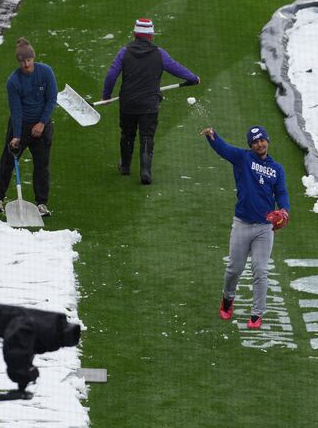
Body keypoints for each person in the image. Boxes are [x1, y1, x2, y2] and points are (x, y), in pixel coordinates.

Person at [201, 126, 290, 330]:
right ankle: (228, 298)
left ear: (268, 141)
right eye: (255, 142)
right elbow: (224, 149)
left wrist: (284, 210)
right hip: (242, 223)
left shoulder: (277, 169)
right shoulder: (243, 158)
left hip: (264, 229)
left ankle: (257, 314)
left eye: (262, 140)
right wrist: (212, 136)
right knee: (234, 269)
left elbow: (282, 192)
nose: (260, 144)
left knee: (260, 270)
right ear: (251, 145)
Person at [102, 18, 200, 184]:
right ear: (151, 36)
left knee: (127, 134)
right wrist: (193, 78)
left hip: (128, 103)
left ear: (134, 34)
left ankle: (125, 166)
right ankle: (145, 171)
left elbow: (112, 75)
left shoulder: (124, 52)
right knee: (147, 136)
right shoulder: (159, 53)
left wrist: (106, 96)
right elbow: (176, 68)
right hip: (149, 104)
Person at [0, 37, 57, 217]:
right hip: (20, 125)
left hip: (42, 126)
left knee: (42, 165)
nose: (27, 64)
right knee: (7, 162)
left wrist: (42, 123)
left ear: (33, 58)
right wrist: (17, 136)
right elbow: (16, 110)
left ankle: (42, 203)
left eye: (29, 60)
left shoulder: (46, 72)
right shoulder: (13, 81)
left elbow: (51, 99)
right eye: (23, 62)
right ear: (19, 62)